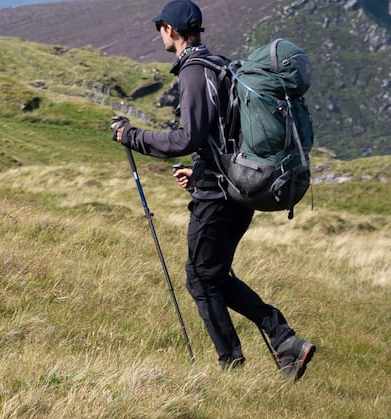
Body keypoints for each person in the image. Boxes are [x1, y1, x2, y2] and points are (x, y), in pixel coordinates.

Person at [111, 0, 317, 380]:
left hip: (220, 195)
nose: (160, 34)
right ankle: (284, 341)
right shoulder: (220, 65)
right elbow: (225, 134)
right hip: (235, 187)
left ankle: (233, 365)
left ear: (170, 30)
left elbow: (186, 137)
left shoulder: (193, 72)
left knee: (200, 277)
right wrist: (201, 172)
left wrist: (131, 136)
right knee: (215, 275)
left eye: (161, 28)